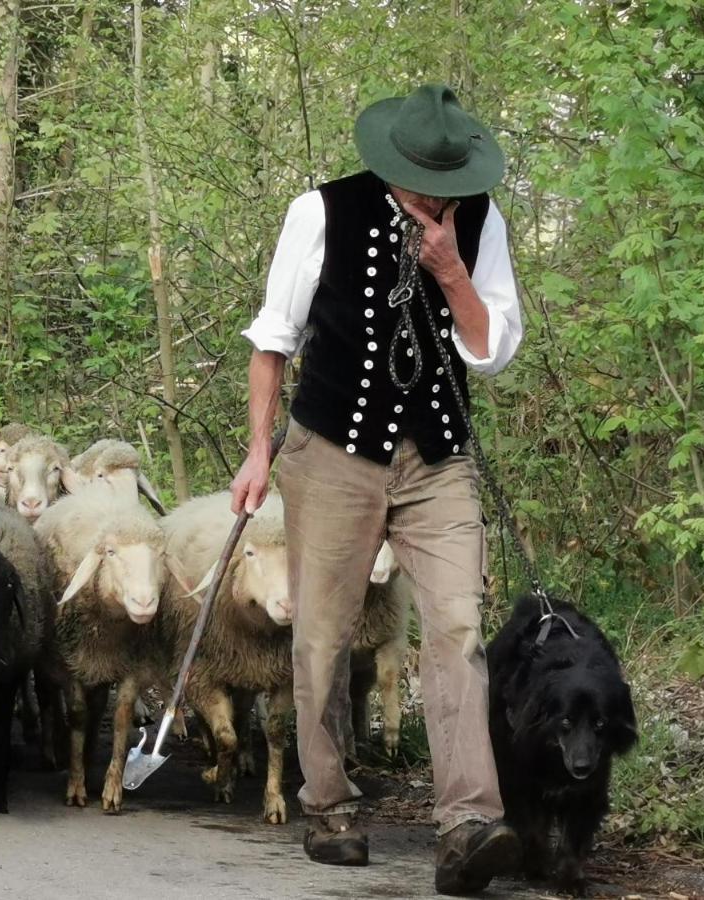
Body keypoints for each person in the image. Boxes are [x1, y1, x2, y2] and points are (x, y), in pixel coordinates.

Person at [230, 84, 524, 896]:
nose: (438, 194)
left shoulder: (483, 219)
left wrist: (452, 271)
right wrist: (258, 451)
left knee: (458, 626)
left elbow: (492, 349)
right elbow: (272, 340)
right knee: (321, 635)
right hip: (331, 452)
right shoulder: (320, 212)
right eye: (423, 178)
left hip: (437, 459)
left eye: (448, 179)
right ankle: (330, 808)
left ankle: (467, 823)